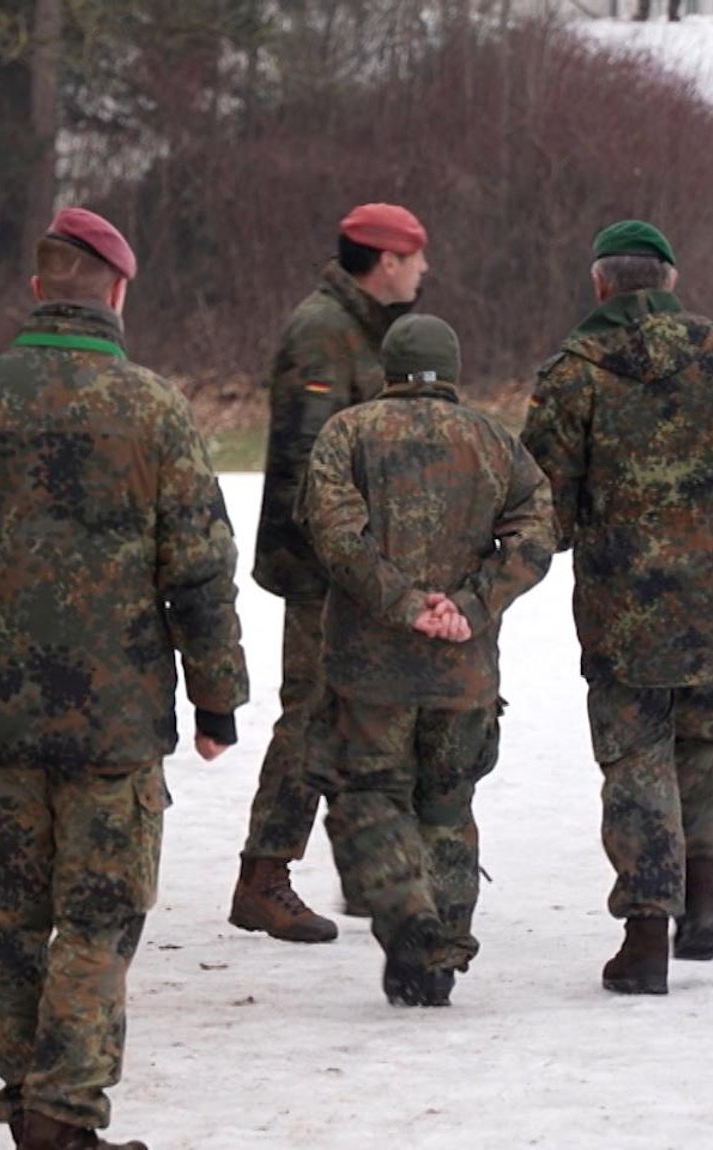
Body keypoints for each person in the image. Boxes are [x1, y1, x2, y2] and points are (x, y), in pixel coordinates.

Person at [0, 207, 248, 1150]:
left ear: (37, 291)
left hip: (0, 716)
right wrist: (215, 696)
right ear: (117, 291)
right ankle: (64, 1115)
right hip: (114, 726)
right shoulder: (154, 409)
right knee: (99, 920)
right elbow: (200, 570)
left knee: (13, 921)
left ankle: (29, 1106)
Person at [521, 220, 713, 996]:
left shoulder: (574, 373)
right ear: (670, 283)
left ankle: (646, 936)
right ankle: (702, 901)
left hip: (622, 614)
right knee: (709, 745)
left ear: (601, 286)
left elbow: (546, 506)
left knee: (636, 761)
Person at [296, 313, 554, 1007]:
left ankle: (410, 922)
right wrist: (472, 603)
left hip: (369, 669)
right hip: (463, 673)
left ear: (389, 369)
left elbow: (335, 535)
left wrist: (405, 602)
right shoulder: (496, 443)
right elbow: (537, 535)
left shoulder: (347, 434)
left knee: (370, 796)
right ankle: (439, 957)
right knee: (447, 804)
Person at [236, 203, 430, 944]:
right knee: (313, 717)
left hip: (356, 562)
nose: (423, 271)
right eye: (416, 257)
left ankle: (365, 872)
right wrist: (344, 564)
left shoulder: (366, 330)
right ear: (386, 261)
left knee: (360, 715)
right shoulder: (322, 331)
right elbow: (305, 466)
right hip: (323, 566)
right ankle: (263, 876)